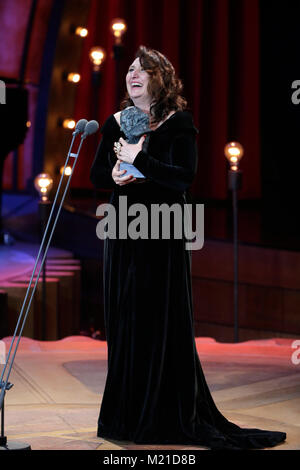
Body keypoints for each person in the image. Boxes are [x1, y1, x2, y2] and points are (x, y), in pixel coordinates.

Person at [90, 45, 286, 450]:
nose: (134, 74)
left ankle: (162, 415)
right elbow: (96, 177)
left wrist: (141, 158)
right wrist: (114, 171)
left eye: (144, 69)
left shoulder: (178, 122)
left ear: (161, 79)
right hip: (123, 234)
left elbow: (184, 178)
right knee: (125, 321)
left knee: (158, 321)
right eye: (130, 69)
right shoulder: (114, 122)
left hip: (161, 235)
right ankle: (126, 419)